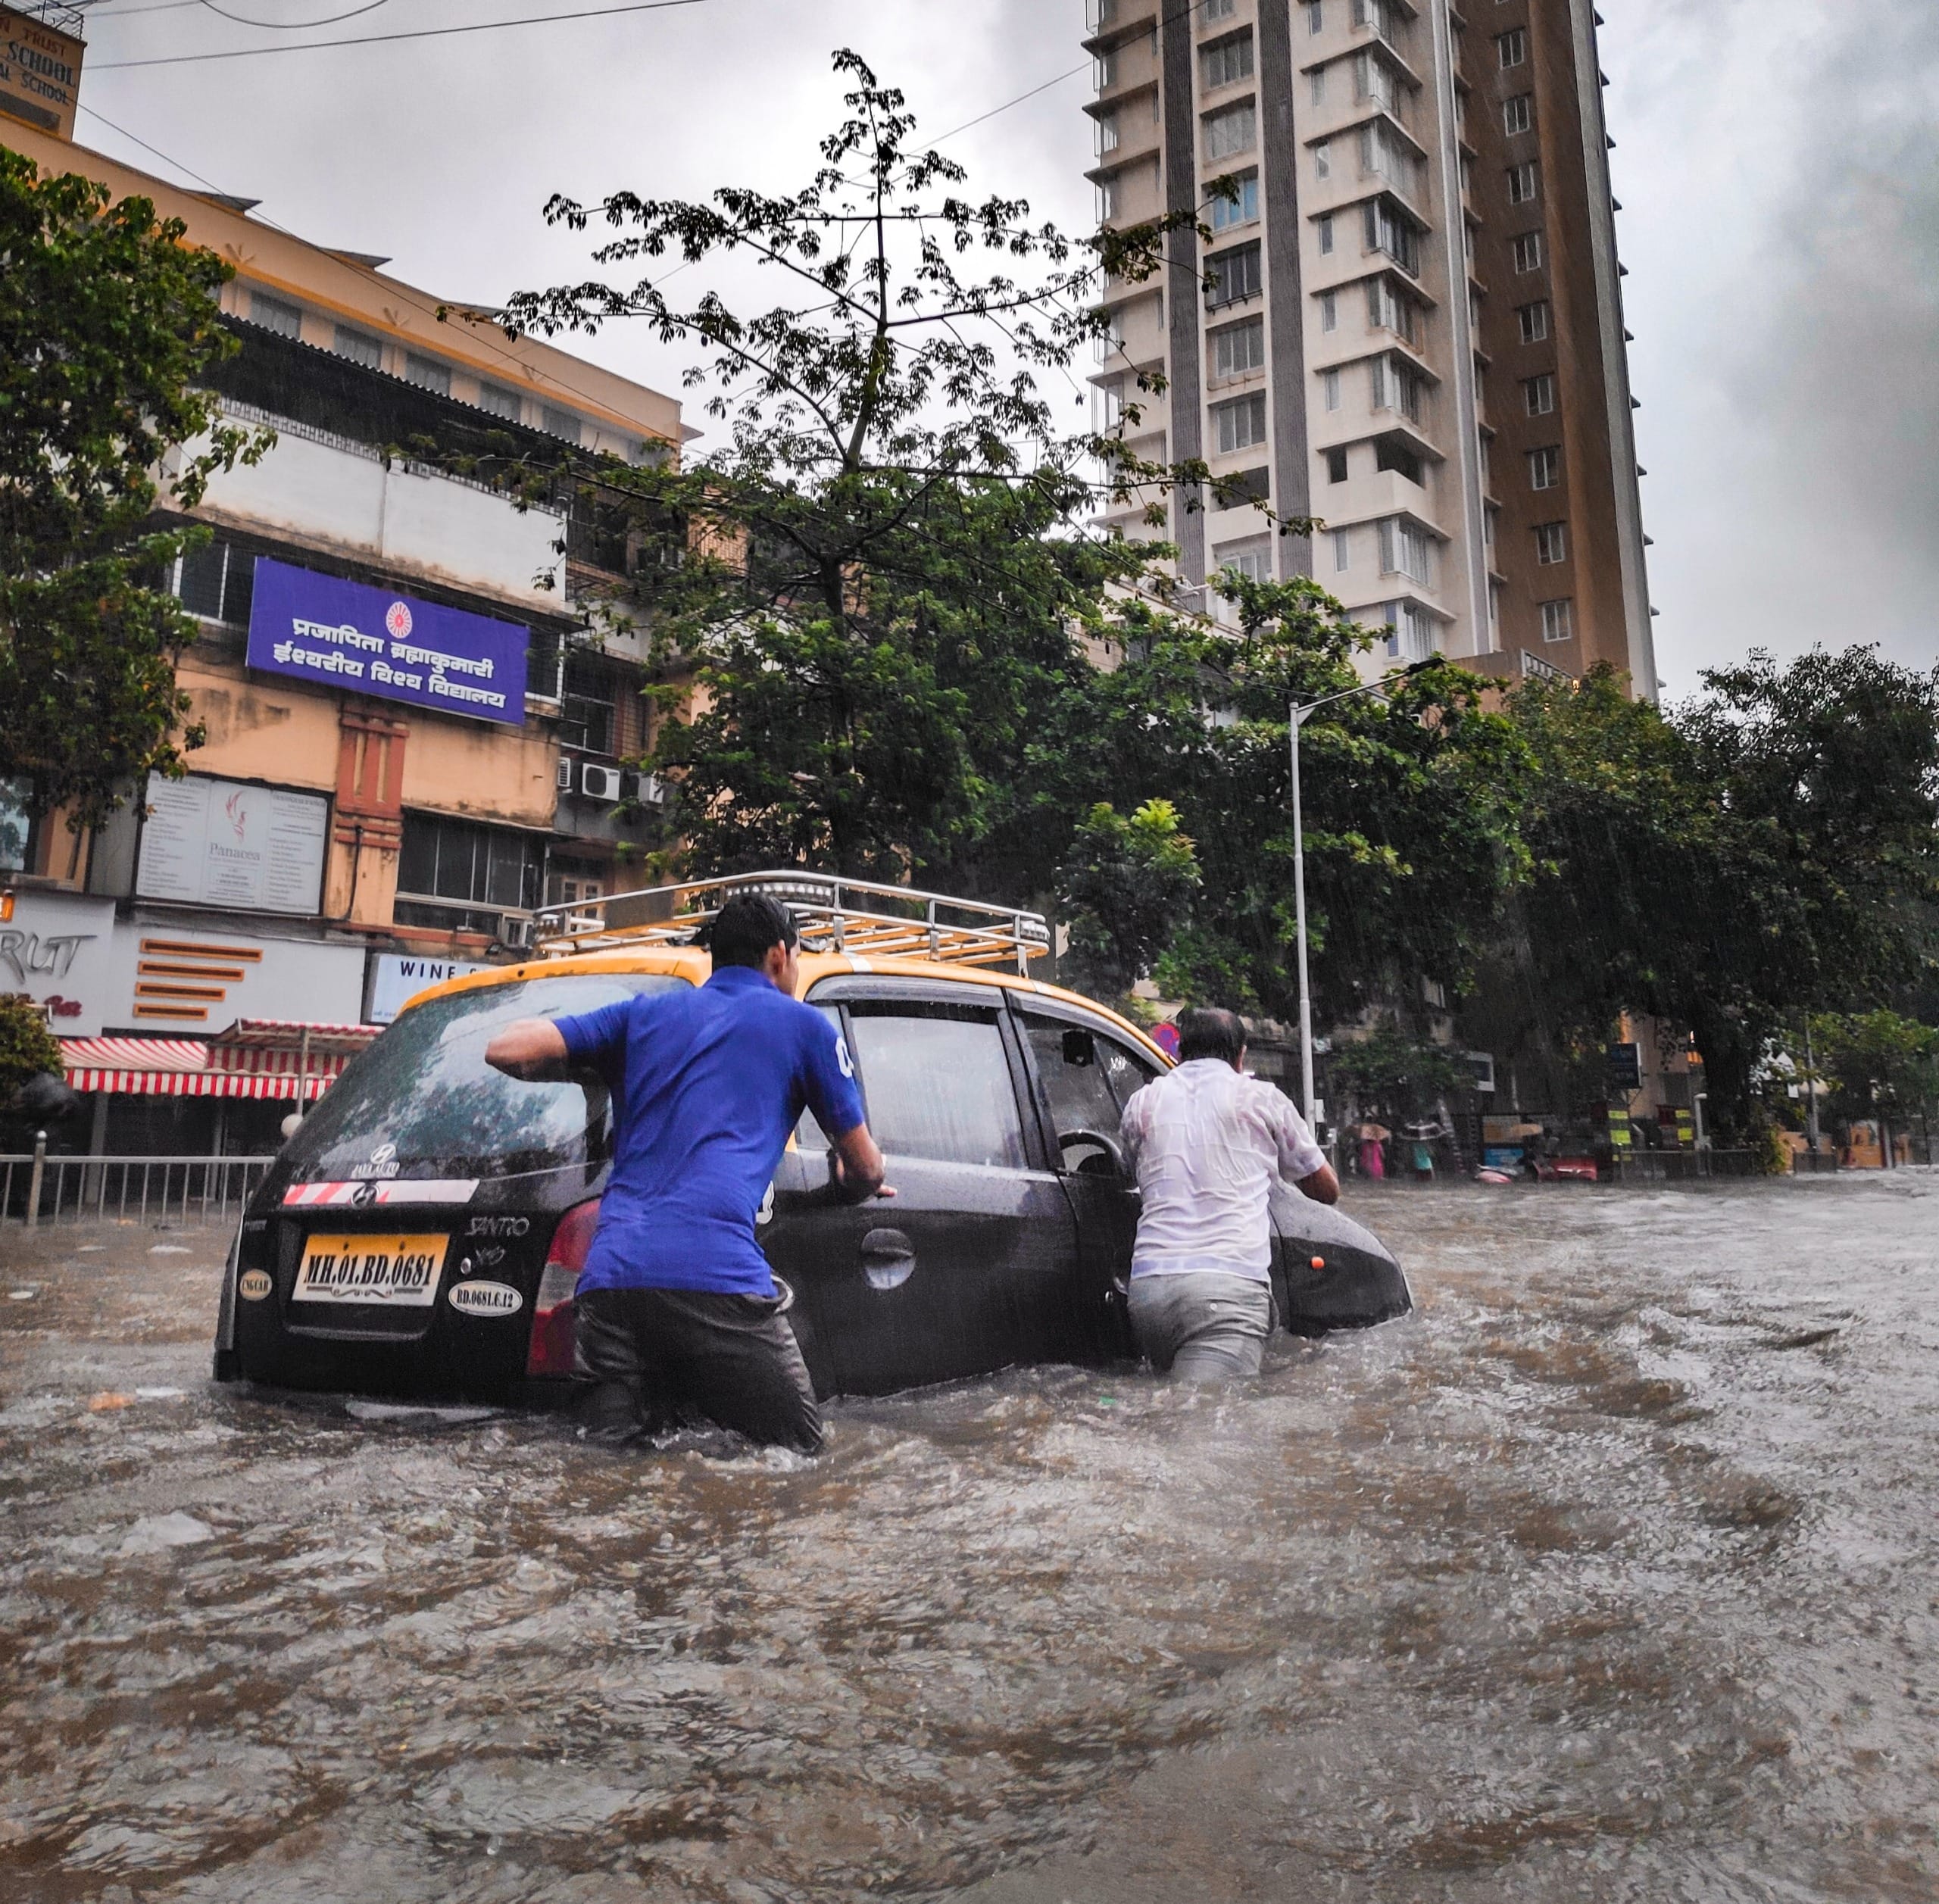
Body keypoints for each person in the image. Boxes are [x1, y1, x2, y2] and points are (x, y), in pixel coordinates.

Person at [482, 892, 891, 1452]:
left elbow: (506, 1050)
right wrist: (852, 1183)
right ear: (779, 956)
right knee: (799, 1458)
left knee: (606, 1468)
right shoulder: (805, 1028)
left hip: (611, 1284)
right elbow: (865, 1166)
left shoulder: (641, 1016)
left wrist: (590, 1067)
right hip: (717, 1279)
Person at [1118, 1006, 1338, 1383]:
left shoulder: (1143, 1102)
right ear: (1241, 1056)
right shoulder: (1261, 1099)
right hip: (1225, 1296)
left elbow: (1130, 1169)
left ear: (1180, 1053)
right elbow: (1325, 1189)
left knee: (1168, 1415)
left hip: (1148, 1292)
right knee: (1205, 1427)